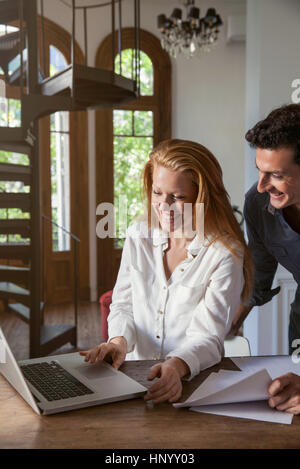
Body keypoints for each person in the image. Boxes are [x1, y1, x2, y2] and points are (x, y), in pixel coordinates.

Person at [81, 139, 253, 404]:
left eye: (178, 197)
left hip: (192, 383)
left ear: (202, 197)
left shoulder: (224, 254)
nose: (164, 206)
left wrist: (176, 365)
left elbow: (208, 336)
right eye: (157, 192)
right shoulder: (138, 235)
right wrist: (118, 341)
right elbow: (123, 305)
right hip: (132, 380)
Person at [230, 103, 300, 414]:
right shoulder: (258, 204)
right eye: (260, 170)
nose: (261, 185)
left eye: (276, 174)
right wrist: (230, 325)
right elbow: (259, 272)